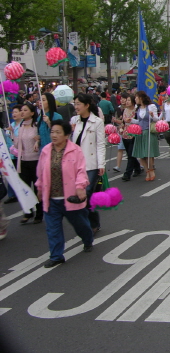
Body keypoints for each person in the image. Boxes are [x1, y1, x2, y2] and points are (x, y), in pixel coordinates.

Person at [35, 120, 94, 268]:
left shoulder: (75, 150)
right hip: (52, 198)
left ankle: (88, 240)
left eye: (58, 132)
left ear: (66, 135)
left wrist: (80, 187)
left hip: (71, 198)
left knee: (80, 225)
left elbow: (81, 171)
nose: (54, 135)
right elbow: (41, 172)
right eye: (52, 132)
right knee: (53, 229)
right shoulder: (46, 150)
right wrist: (40, 188)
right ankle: (56, 256)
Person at [71, 93, 106, 234]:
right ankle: (91, 221)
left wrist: (101, 164)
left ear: (87, 105)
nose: (76, 106)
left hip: (91, 164)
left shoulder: (97, 122)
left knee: (86, 194)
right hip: (75, 164)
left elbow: (101, 144)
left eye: (79, 104)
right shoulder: (74, 121)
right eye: (75, 103)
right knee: (82, 196)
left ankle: (92, 224)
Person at [17, 102, 42, 223]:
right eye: (21, 110)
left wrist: (38, 141)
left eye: (25, 110)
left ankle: (39, 213)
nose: (22, 112)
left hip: (35, 160)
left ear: (32, 113)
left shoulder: (36, 125)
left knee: (37, 188)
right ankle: (27, 212)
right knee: (25, 187)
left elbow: (41, 139)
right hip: (23, 160)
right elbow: (17, 144)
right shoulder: (20, 126)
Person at [131, 91, 159, 181]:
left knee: (148, 153)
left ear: (141, 98)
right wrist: (130, 120)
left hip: (148, 132)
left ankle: (151, 170)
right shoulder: (137, 108)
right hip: (140, 132)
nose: (135, 99)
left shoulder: (151, 106)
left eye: (136, 97)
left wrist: (152, 115)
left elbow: (156, 119)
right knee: (140, 154)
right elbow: (138, 121)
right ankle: (147, 171)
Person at [115, 95, 142, 181]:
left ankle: (127, 174)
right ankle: (137, 168)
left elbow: (139, 122)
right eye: (126, 100)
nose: (127, 102)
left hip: (133, 134)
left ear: (133, 101)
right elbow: (123, 122)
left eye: (129, 100)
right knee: (130, 154)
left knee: (130, 154)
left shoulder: (137, 111)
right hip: (125, 134)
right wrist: (121, 128)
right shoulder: (125, 110)